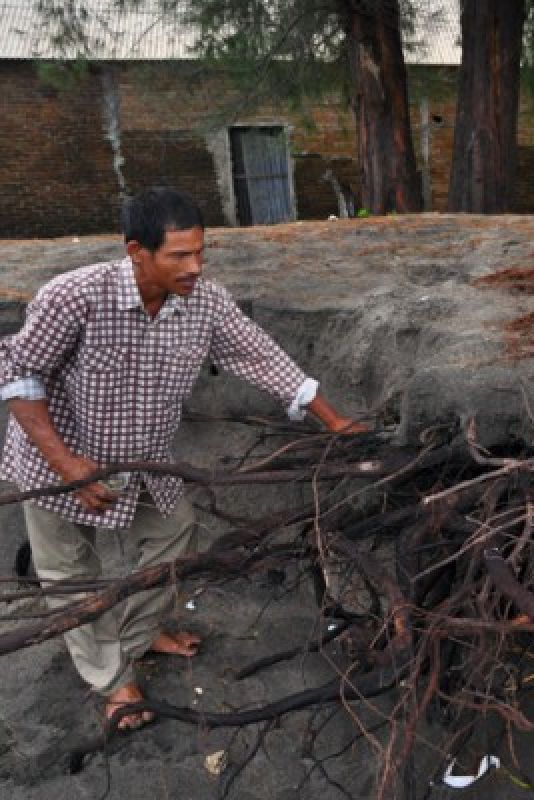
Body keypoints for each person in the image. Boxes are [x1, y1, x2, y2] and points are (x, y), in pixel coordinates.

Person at [0, 187, 364, 730]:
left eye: (200, 252)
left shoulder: (206, 302)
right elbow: (18, 374)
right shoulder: (73, 296)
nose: (195, 267)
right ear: (136, 251)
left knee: (175, 536)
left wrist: (334, 420)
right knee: (69, 572)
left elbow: (259, 353)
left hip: (147, 460)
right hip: (57, 460)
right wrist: (65, 465)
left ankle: (138, 636)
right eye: (179, 256)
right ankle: (113, 679)